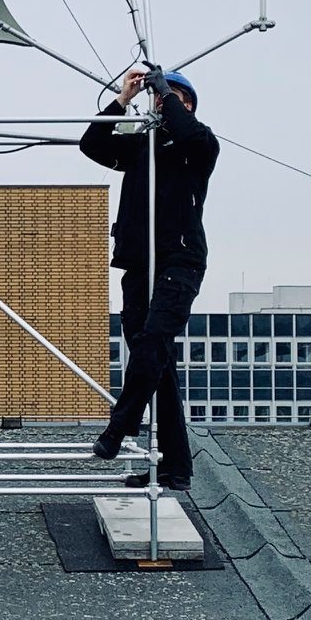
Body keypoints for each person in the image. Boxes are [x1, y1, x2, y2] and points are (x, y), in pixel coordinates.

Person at [79, 63, 218, 491]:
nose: (162, 103)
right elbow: (92, 143)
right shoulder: (143, 148)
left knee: (153, 343)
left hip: (179, 261)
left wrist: (168, 93)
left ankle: (119, 426)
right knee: (155, 362)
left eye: (173, 99)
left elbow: (190, 133)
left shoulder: (200, 145)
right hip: (140, 263)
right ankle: (177, 466)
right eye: (159, 97)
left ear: (187, 105)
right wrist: (123, 100)